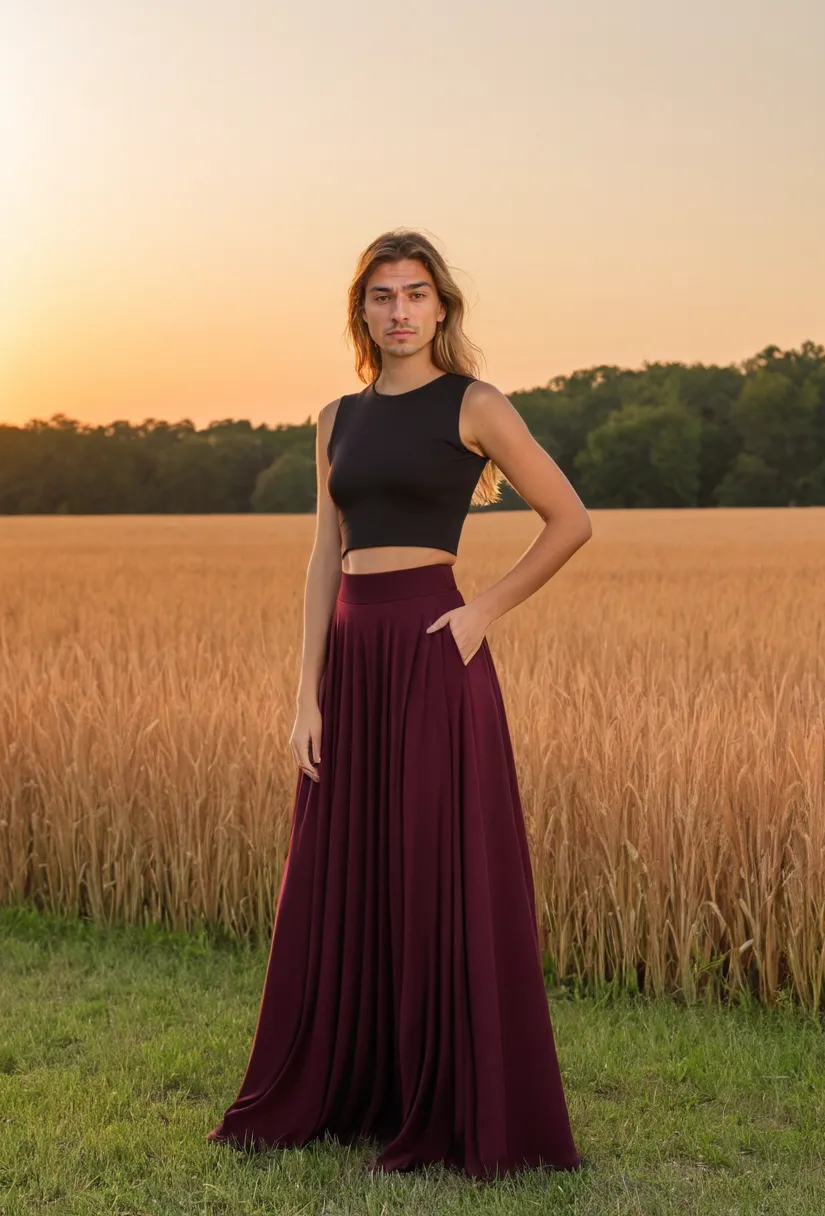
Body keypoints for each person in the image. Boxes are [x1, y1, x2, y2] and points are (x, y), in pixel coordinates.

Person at [207, 228, 592, 1179]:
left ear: (442, 308)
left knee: (433, 868)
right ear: (363, 313)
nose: (401, 312)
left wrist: (482, 614)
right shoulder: (335, 417)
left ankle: (450, 1100)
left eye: (416, 295)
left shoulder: (477, 405)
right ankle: (356, 1088)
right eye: (382, 297)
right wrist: (307, 695)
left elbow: (572, 519)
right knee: (351, 870)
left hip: (432, 648)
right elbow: (321, 557)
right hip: (352, 657)